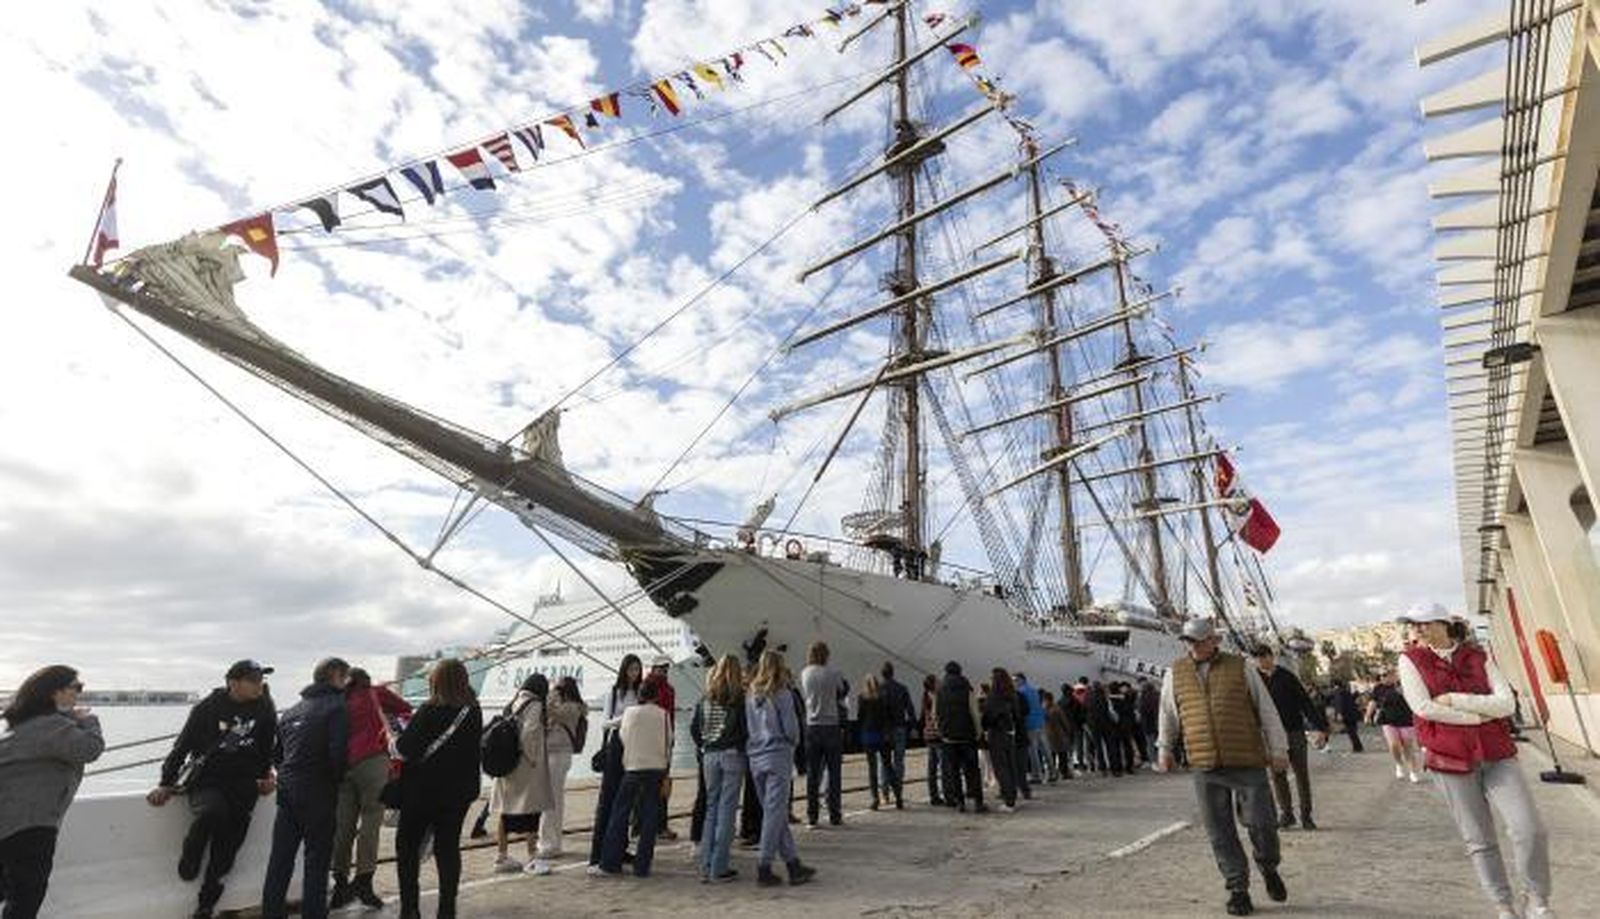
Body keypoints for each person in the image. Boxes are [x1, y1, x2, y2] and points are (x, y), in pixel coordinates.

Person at [1397, 603, 1554, 919]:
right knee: (1479, 839)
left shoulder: (1478, 656)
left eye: (1424, 623)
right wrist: (1478, 716)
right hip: (1449, 759)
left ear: (1443, 623)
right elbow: (1423, 708)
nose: (1418, 629)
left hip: (1496, 753)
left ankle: (1537, 898)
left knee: (1529, 829)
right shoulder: (1410, 660)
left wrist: (1456, 701)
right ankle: (1503, 905)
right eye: (1414, 625)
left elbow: (1506, 703)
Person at [1157, 620, 1290, 917]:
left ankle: (1268, 867)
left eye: (1198, 640)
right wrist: (1165, 749)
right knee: (1220, 832)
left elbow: (1266, 708)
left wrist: (1278, 749)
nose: (1192, 645)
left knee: (1263, 823)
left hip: (1247, 760)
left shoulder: (1241, 667)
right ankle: (1238, 890)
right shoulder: (1174, 673)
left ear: (1214, 640)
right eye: (1188, 640)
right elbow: (1168, 714)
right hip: (1205, 765)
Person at [148, 660, 278, 919]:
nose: (258, 684)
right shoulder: (207, 707)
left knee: (228, 849)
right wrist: (166, 782)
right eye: (252, 679)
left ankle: (206, 904)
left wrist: (267, 775)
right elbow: (182, 746)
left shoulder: (265, 707)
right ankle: (192, 850)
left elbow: (266, 746)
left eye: (260, 679)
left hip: (244, 785)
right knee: (212, 813)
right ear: (233, 682)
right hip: (207, 781)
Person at [0, 666, 104, 919]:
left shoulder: (27, 724)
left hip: (10, 821)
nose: (78, 694)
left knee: (10, 887)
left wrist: (71, 719)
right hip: (29, 824)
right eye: (76, 687)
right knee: (26, 896)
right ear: (55, 693)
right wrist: (89, 720)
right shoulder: (51, 726)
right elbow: (89, 748)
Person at [393, 658, 483, 919]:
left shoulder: (428, 711)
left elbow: (406, 749)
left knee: (407, 847)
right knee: (448, 849)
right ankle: (447, 910)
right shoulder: (473, 711)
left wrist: (392, 742)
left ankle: (410, 909)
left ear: (437, 682)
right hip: (458, 794)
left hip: (422, 792)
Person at [262, 657, 350, 919]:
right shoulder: (337, 707)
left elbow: (277, 755)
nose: (346, 684)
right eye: (344, 678)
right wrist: (336, 779)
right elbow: (338, 754)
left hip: (288, 791)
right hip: (319, 792)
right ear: (335, 676)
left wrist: (289, 777)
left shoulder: (293, 710)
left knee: (280, 859)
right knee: (317, 860)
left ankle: (272, 913)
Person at [330, 667, 410, 909]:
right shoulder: (375, 692)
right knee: (371, 821)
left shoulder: (338, 699)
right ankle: (364, 881)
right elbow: (405, 708)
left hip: (343, 766)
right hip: (372, 761)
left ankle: (340, 884)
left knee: (343, 825)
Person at [744, 650, 816, 887]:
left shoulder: (751, 694)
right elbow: (792, 729)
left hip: (756, 758)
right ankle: (764, 866)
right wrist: (794, 744)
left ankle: (793, 864)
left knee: (774, 814)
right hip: (778, 756)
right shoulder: (782, 694)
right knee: (775, 814)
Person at [595, 678, 673, 878]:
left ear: (640, 694)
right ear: (656, 696)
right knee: (649, 819)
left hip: (633, 768)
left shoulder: (630, 713)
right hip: (656, 770)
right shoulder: (664, 715)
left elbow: (619, 733)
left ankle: (610, 863)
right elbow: (669, 741)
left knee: (619, 814)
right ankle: (642, 866)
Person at [1250, 646, 1329, 832]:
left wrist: (1319, 727)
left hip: (1294, 731)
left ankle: (1306, 815)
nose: (1260, 661)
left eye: (1263, 657)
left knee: (1301, 774)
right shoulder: (1255, 679)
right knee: (1278, 776)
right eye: (1257, 658)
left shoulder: (1286, 677)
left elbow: (1305, 702)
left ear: (1271, 656)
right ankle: (1286, 814)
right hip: (1270, 734)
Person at [691, 655, 747, 883]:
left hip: (709, 756)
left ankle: (705, 864)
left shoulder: (705, 698)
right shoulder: (738, 698)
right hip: (732, 755)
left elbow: (694, 727)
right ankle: (719, 867)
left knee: (711, 809)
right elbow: (745, 730)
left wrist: (704, 744)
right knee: (727, 811)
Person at [489, 674, 552, 875]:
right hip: (525, 768)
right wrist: (532, 758)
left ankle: (502, 856)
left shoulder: (514, 702)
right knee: (532, 811)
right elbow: (530, 732)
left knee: (505, 811)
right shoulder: (535, 704)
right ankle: (532, 857)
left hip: (507, 766)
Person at [588, 654, 641, 869]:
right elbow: (604, 723)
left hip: (633, 747)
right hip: (616, 745)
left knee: (626, 801)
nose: (634, 673)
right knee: (607, 800)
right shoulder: (614, 692)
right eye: (631, 669)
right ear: (624, 670)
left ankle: (620, 847)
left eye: (637, 669)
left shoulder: (639, 692)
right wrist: (627, 718)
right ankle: (597, 853)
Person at [536, 676, 586, 869]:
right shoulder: (565, 707)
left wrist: (551, 693)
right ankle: (552, 842)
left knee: (551, 800)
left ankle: (550, 845)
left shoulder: (571, 708)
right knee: (553, 799)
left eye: (558, 688)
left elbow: (547, 709)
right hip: (552, 754)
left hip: (559, 755)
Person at [799, 642, 848, 827]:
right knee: (834, 773)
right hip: (831, 726)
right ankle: (835, 814)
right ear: (826, 655)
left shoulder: (805, 673)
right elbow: (842, 692)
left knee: (813, 774)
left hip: (812, 725)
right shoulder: (834, 672)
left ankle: (812, 816)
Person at [935, 662, 986, 813]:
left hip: (949, 738)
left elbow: (936, 714)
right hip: (967, 736)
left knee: (954, 771)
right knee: (972, 770)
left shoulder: (940, 690)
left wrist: (942, 732)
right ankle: (978, 802)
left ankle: (960, 803)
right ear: (960, 672)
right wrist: (978, 732)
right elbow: (974, 713)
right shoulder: (967, 688)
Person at [645, 655, 680, 842]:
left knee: (661, 785)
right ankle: (653, 825)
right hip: (654, 740)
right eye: (661, 668)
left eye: (666, 669)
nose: (664, 672)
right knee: (653, 785)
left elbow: (671, 716)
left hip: (664, 739)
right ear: (653, 668)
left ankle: (657, 825)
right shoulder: (651, 687)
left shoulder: (669, 689)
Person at [1365, 669, 1420, 784]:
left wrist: (1404, 693)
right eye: (1382, 675)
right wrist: (1368, 715)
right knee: (1394, 745)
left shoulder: (1404, 685)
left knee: (1408, 747)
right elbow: (1373, 702)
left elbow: (1416, 700)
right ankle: (1399, 764)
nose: (1385, 677)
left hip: (1406, 720)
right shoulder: (1378, 688)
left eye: (1388, 675)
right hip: (1388, 720)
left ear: (1394, 675)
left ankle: (1412, 772)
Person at [981, 669, 1022, 811]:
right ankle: (1012, 796)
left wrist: (984, 725)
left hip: (997, 734)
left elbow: (988, 717)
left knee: (1001, 768)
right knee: (1011, 766)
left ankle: (1009, 801)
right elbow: (1017, 715)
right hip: (1010, 733)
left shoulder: (994, 696)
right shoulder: (1012, 694)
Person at [855, 674, 896, 810]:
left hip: (869, 735)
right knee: (888, 766)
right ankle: (898, 796)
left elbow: (860, 717)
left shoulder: (862, 698)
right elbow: (889, 716)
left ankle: (875, 799)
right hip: (882, 735)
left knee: (872, 769)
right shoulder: (884, 697)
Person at [879, 662, 915, 806]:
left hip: (883, 730)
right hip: (900, 728)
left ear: (882, 674)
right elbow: (910, 709)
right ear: (893, 673)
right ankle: (898, 791)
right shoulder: (902, 688)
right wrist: (913, 726)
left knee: (883, 762)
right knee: (899, 761)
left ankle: (885, 794)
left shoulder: (878, 689)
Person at [1015, 673, 1051, 783]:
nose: (1014, 682)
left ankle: (1037, 776)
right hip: (1040, 722)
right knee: (1046, 750)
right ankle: (1053, 772)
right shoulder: (1034, 690)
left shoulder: (1020, 692)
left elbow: (1022, 709)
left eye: (1015, 680)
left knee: (1033, 752)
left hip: (1030, 724)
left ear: (1021, 680)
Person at [919, 674, 946, 806]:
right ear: (934, 685)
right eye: (938, 682)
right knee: (944, 767)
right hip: (938, 736)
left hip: (929, 736)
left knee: (932, 768)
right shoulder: (938, 698)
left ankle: (933, 795)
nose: (940, 683)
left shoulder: (924, 697)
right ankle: (947, 794)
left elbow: (922, 717)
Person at [1042, 691, 1074, 780]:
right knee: (1062, 755)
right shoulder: (1057, 709)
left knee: (1053, 756)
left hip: (1049, 736)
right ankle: (1064, 773)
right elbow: (1064, 722)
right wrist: (1068, 731)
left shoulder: (1043, 710)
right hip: (1059, 735)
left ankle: (1053, 774)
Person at [1331, 682, 1364, 753]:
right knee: (1353, 731)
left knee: (1351, 732)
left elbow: (1339, 703)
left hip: (1346, 715)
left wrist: (1339, 713)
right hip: (1353, 714)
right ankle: (1358, 746)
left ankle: (1357, 747)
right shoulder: (1346, 691)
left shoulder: (1338, 692)